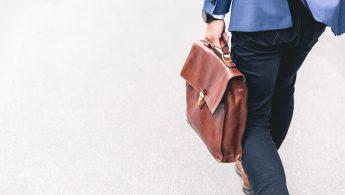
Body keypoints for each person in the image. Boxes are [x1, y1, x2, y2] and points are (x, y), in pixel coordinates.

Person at [202, 0, 327, 194]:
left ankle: (258, 169)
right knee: (282, 89)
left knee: (251, 118)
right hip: (311, 15)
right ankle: (254, 168)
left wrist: (215, 14)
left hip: (260, 14)